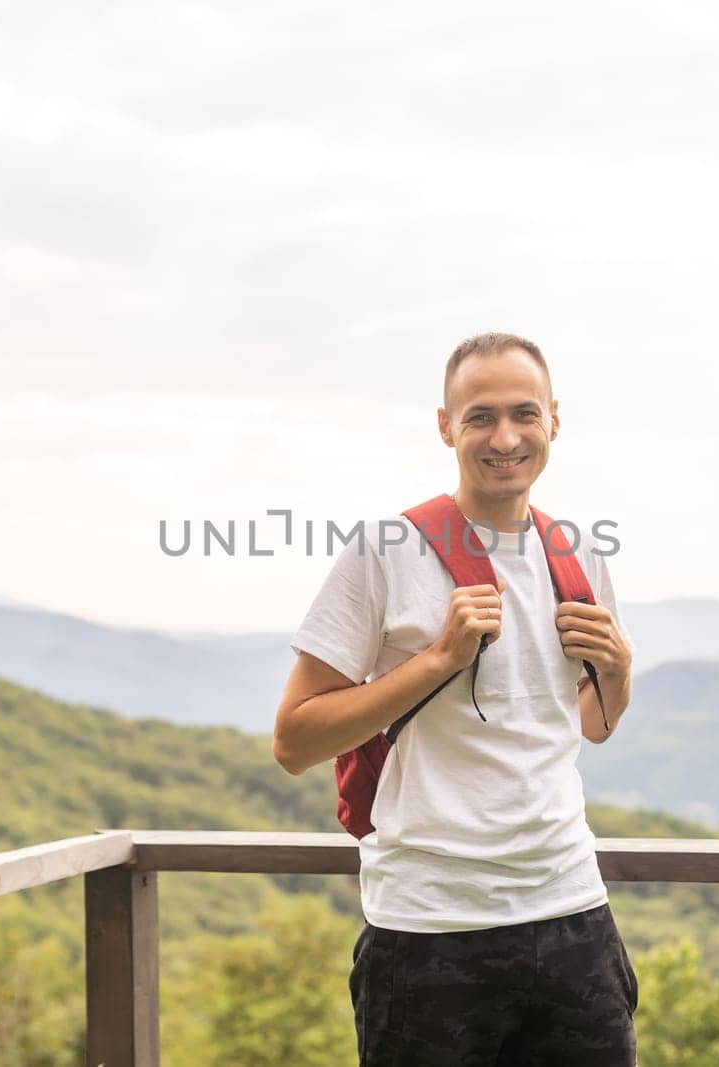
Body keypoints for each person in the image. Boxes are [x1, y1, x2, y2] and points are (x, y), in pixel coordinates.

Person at [272, 332, 639, 1065]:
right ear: (446, 426)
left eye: (523, 414)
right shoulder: (386, 550)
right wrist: (440, 658)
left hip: (570, 911)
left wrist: (620, 668)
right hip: (427, 928)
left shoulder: (578, 552)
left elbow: (591, 724)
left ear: (554, 421)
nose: (505, 437)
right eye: (480, 417)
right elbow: (295, 740)